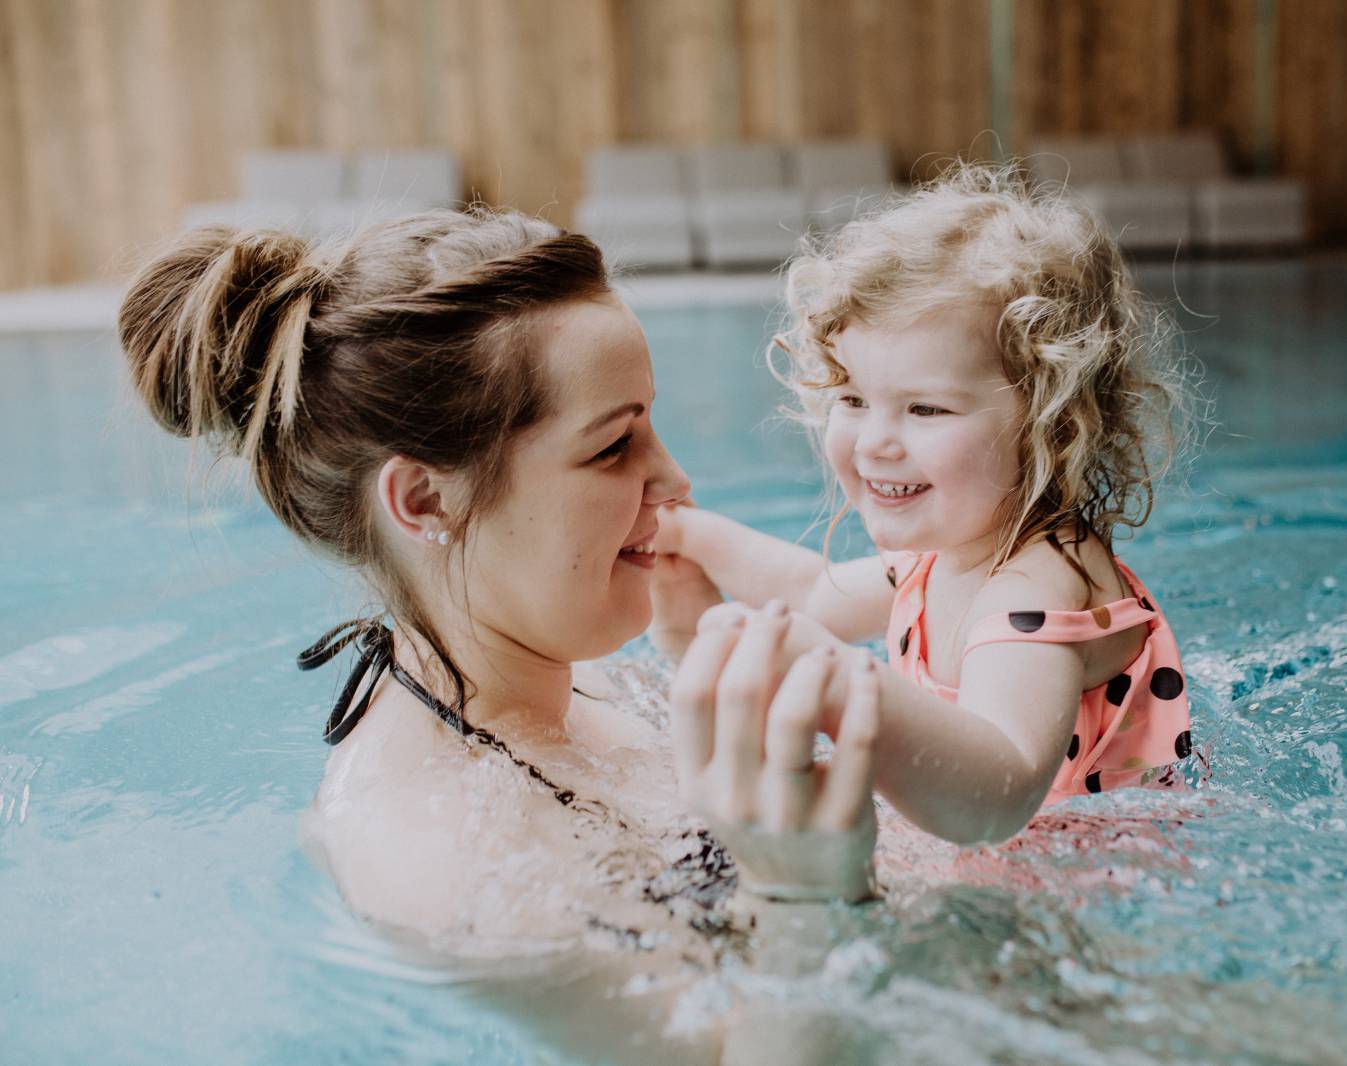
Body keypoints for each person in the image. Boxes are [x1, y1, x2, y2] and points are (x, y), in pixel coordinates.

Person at [117, 209, 882, 1063]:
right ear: (426, 501)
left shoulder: (567, 681)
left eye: (651, 426)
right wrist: (807, 902)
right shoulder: (446, 861)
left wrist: (694, 652)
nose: (673, 477)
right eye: (613, 446)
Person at [654, 164, 1196, 847]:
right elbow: (810, 598)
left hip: (1096, 891)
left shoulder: (1037, 586)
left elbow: (997, 797)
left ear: (1050, 426)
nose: (875, 442)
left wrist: (839, 681)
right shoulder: (940, 554)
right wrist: (684, 535)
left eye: (925, 408)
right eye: (852, 399)